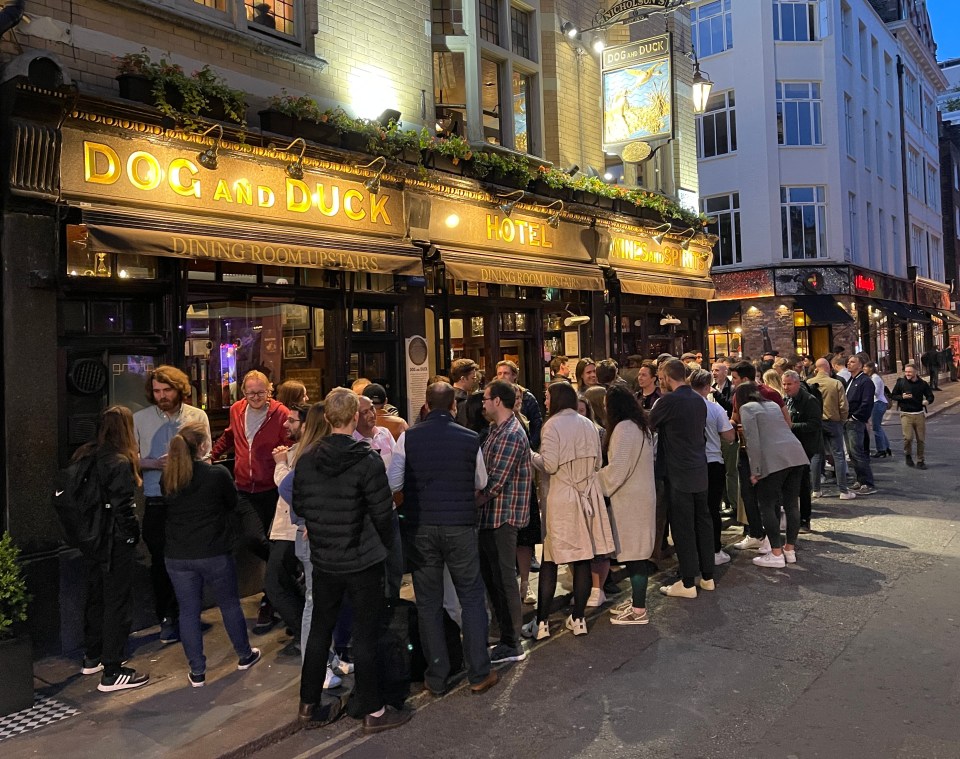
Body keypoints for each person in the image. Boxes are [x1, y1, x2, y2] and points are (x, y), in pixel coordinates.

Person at [290, 389, 410, 732]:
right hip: (362, 559)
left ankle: (308, 706)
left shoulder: (308, 458)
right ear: (354, 417)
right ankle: (374, 713)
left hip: (325, 558)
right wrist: (385, 549)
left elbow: (300, 507)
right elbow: (382, 513)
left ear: (327, 418)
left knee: (319, 631)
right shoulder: (366, 459)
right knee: (365, 633)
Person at [387, 382, 499, 696]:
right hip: (460, 527)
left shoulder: (408, 437)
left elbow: (394, 481)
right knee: (472, 598)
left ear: (426, 404)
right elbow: (481, 481)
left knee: (428, 603)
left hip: (421, 528)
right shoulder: (469, 438)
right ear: (453, 406)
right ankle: (479, 672)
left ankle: (436, 676)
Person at [162, 420, 261, 687]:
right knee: (229, 604)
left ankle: (197, 672)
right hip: (214, 550)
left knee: (188, 612)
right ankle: (244, 654)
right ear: (203, 446)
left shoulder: (169, 477)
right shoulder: (216, 475)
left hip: (178, 554)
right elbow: (231, 503)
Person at [525, 382, 614, 638]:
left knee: (550, 559)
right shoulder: (588, 424)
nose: (544, 401)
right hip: (587, 494)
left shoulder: (552, 425)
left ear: (556, 398)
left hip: (562, 496)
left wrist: (531, 455)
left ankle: (541, 624)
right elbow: (597, 461)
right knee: (583, 557)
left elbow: (550, 465)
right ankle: (579, 619)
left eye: (547, 396)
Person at [133, 365, 211, 645]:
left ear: (180, 389)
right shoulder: (139, 419)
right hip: (157, 500)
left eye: (167, 390)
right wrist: (154, 463)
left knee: (192, 560)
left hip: (190, 500)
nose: (162, 396)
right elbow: (130, 458)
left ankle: (189, 613)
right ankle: (166, 615)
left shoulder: (197, 416)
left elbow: (208, 456)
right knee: (160, 562)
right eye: (157, 391)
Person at [211, 370, 291, 633]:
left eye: (261, 392)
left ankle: (270, 598)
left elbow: (292, 444)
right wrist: (211, 455)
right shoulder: (236, 409)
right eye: (250, 393)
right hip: (244, 487)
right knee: (252, 539)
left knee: (273, 541)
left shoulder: (281, 414)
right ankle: (288, 571)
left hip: (272, 488)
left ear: (270, 390)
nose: (255, 397)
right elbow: (230, 436)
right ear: (242, 393)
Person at [77, 406, 149, 692]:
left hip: (92, 539)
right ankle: (113, 670)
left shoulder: (88, 455)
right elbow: (123, 508)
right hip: (115, 541)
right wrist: (133, 537)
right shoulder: (119, 462)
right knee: (118, 602)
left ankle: (92, 656)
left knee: (96, 596)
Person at [477, 380, 532, 662]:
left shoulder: (511, 433)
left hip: (503, 517)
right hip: (490, 517)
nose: (482, 403)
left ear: (498, 401)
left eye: (486, 398)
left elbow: (494, 482)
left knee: (504, 579)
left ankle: (513, 642)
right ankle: (504, 637)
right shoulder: (496, 430)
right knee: (495, 578)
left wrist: (470, 502)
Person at [650, 359, 715, 598]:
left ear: (667, 377)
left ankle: (687, 582)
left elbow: (650, 422)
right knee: (703, 523)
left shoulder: (668, 401)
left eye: (660, 376)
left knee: (682, 527)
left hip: (678, 472)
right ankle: (707, 576)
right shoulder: (699, 401)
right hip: (699, 468)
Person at [599, 386, 657, 625]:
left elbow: (618, 468)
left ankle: (639, 610)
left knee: (635, 556)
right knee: (637, 553)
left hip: (631, 499)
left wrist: (594, 479)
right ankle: (636, 601)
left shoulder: (624, 428)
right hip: (641, 494)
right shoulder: (639, 426)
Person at [736, 384, 810, 568]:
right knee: (792, 503)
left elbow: (752, 441)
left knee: (767, 504)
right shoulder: (772, 405)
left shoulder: (746, 409)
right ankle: (789, 550)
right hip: (796, 454)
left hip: (774, 459)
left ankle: (776, 553)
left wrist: (756, 470)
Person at [266, 404, 311, 658]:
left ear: (305, 425)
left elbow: (287, 486)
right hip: (286, 528)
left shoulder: (303, 453)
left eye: (292, 421)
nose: (286, 425)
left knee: (274, 584)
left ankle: (305, 634)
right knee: (283, 581)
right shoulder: (296, 450)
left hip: (293, 528)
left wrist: (280, 463)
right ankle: (302, 629)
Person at [354, 394, 403, 599]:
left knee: (395, 564)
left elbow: (396, 469)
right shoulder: (353, 441)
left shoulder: (384, 434)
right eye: (364, 412)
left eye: (372, 409)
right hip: (366, 514)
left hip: (389, 509)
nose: (371, 415)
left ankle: (393, 604)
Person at [690, 370, 736, 565]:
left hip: (691, 464)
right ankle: (715, 550)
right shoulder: (714, 409)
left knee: (693, 510)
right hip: (713, 461)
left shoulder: (684, 407)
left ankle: (695, 550)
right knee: (711, 509)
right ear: (708, 387)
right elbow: (729, 436)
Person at [806, 358, 854, 500]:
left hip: (815, 423)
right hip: (833, 422)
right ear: (828, 368)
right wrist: (842, 420)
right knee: (838, 455)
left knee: (816, 456)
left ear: (816, 368)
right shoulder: (836, 383)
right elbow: (843, 406)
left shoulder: (809, 384)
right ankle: (843, 491)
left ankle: (816, 490)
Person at [781, 371, 822, 533]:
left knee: (803, 484)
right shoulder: (787, 400)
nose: (786, 387)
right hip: (791, 446)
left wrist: (792, 427)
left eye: (789, 384)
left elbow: (815, 425)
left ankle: (805, 519)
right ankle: (793, 518)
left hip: (805, 447)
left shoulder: (809, 401)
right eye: (784, 384)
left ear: (798, 383)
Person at [889, 363, 935, 469]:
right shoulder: (901, 382)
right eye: (906, 371)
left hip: (919, 414)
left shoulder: (922, 384)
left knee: (921, 439)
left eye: (909, 372)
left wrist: (927, 401)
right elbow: (893, 395)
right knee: (908, 438)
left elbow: (930, 396)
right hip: (906, 414)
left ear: (916, 372)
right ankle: (908, 455)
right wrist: (902, 397)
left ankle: (920, 460)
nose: (907, 374)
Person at [844, 355, 876, 495]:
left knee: (858, 452)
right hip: (847, 420)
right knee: (852, 453)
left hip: (855, 421)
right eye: (848, 362)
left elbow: (867, 402)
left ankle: (867, 483)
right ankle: (860, 479)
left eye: (852, 362)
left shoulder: (865, 382)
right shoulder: (851, 380)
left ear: (860, 365)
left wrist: (855, 416)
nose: (848, 364)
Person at [495, 360, 543, 451]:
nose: (502, 376)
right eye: (499, 373)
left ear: (514, 375)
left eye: (506, 373)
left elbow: (537, 425)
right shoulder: (495, 397)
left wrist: (530, 447)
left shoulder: (526, 397)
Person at [864, 361, 892, 458]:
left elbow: (875, 392)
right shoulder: (873, 377)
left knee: (876, 427)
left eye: (865, 367)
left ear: (871, 368)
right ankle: (886, 447)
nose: (864, 369)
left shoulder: (875, 378)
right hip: (878, 403)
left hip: (878, 403)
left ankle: (881, 450)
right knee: (878, 427)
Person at [451, 358, 480, 425]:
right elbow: (464, 427)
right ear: (463, 379)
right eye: (473, 378)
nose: (474, 381)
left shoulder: (446, 395)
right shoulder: (464, 401)